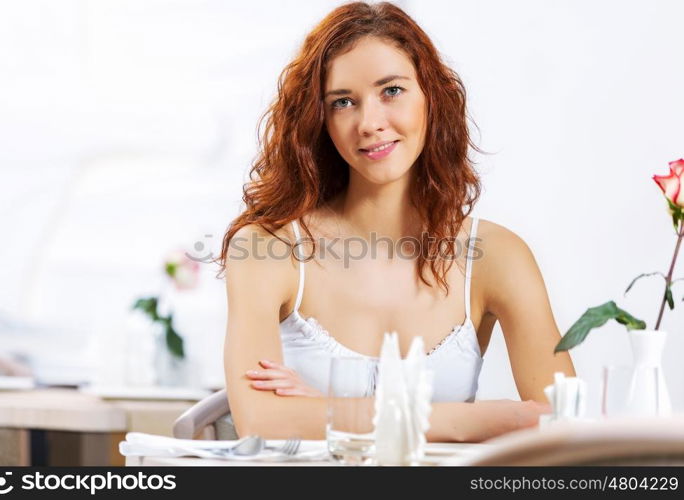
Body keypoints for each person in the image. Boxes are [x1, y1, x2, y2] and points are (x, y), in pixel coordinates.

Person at [216, 1, 575, 442]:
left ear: (432, 96)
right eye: (343, 102)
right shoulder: (268, 248)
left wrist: (323, 411)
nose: (369, 123)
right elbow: (260, 421)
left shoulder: (498, 256)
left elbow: (562, 423)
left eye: (392, 91)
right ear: (320, 120)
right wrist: (475, 421)